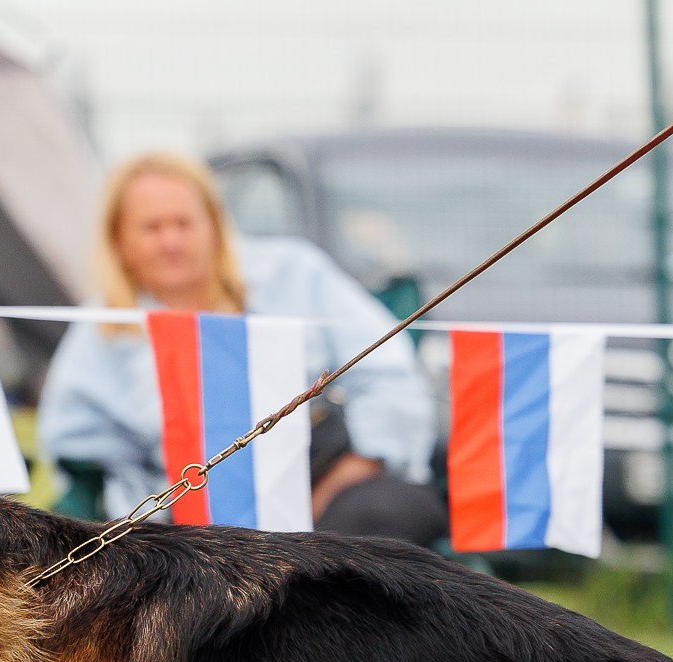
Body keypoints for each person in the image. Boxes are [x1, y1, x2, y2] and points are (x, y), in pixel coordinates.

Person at [38, 151, 443, 544]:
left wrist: (352, 471)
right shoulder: (101, 327)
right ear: (119, 240)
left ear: (215, 224)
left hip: (331, 494)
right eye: (152, 227)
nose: (171, 241)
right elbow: (79, 452)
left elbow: (389, 376)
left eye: (184, 223)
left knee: (384, 515)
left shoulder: (294, 272)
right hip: (187, 529)